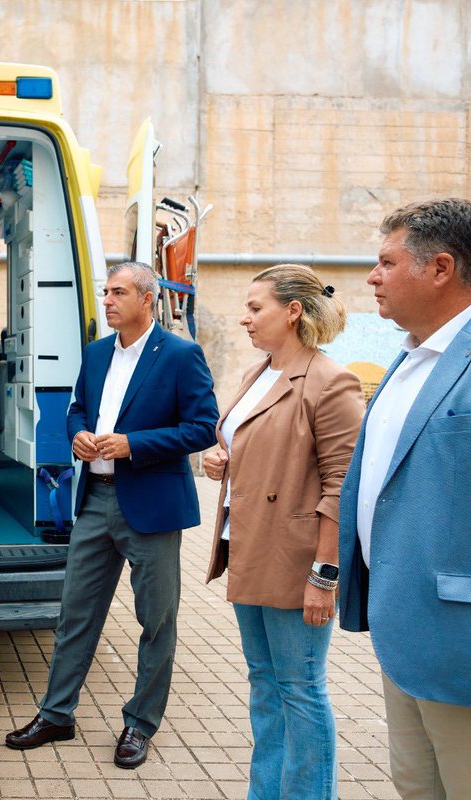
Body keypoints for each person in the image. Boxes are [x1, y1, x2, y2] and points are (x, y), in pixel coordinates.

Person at [5, 261, 218, 769]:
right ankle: (56, 715)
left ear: (147, 298)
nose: (107, 301)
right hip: (95, 501)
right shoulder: (97, 352)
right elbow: (78, 408)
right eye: (105, 292)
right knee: (75, 614)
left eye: (118, 292)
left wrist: (133, 445)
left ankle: (140, 724)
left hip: (152, 505)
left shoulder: (181, 356)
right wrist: (77, 433)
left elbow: (203, 427)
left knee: (156, 621)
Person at [202, 265, 364, 799]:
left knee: (300, 688)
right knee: (265, 684)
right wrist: (225, 460)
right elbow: (262, 446)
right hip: (248, 547)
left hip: (296, 561)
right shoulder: (258, 373)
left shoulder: (330, 381)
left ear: (293, 311)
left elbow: (341, 487)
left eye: (256, 308)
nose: (244, 318)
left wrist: (324, 575)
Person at [338, 198, 471, 799]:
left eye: (387, 263)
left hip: (459, 639)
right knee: (417, 784)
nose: (372, 277)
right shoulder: (411, 357)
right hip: (404, 626)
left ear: (440, 268)